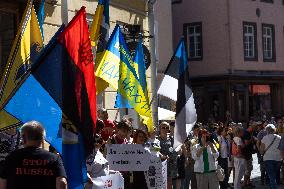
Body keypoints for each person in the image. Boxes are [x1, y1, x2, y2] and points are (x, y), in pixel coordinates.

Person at [0, 121, 67, 189]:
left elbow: (2, 182)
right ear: (43, 139)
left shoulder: (12, 157)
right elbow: (62, 182)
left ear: (23, 138)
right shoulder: (54, 158)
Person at [260, 124, 282, 189]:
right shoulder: (279, 137)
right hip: (278, 159)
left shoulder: (264, 138)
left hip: (268, 159)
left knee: (271, 176)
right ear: (274, 130)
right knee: (273, 175)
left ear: (267, 130)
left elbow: (261, 150)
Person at [158, 122, 178, 189]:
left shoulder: (172, 139)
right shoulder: (156, 140)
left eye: (167, 128)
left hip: (170, 166)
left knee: (169, 185)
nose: (165, 129)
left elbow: (176, 151)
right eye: (163, 127)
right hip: (160, 166)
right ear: (160, 129)